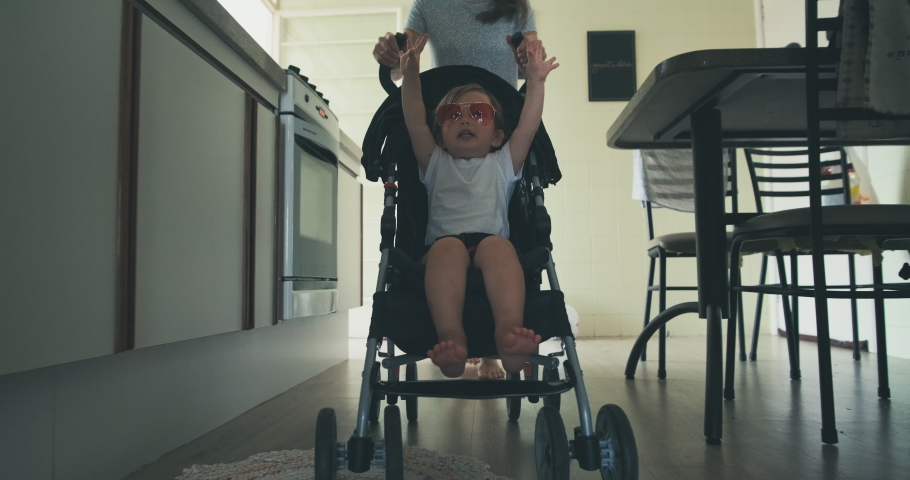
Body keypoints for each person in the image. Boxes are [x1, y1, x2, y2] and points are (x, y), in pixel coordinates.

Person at [372, 0, 545, 379]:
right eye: (452, 115)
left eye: (478, 114)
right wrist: (411, 71)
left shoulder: (504, 162)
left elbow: (529, 126)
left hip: (490, 244)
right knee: (447, 250)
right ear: (442, 133)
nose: (465, 117)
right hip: (444, 245)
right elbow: (415, 121)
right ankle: (452, 341)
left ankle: (508, 336)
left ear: (498, 133)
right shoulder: (435, 162)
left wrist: (535, 81)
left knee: (500, 248)